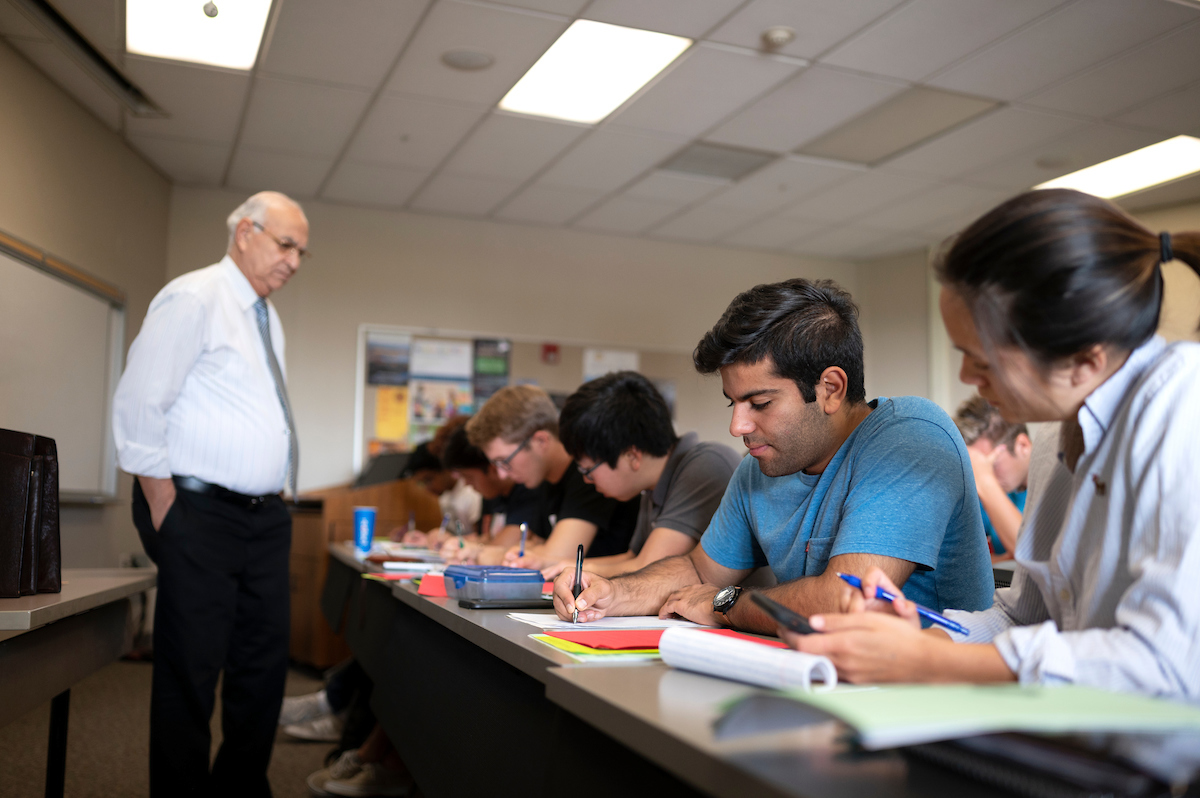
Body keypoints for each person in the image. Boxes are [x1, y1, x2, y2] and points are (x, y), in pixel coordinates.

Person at [784, 189, 1200, 698]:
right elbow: (1023, 619)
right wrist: (915, 630)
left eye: (983, 362)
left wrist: (930, 660)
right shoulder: (1054, 429)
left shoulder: (1184, 408)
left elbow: (1168, 665)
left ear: (1084, 361)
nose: (965, 376)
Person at [553, 279, 994, 630]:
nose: (737, 427)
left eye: (760, 404)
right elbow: (700, 570)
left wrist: (729, 604)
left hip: (928, 700)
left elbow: (848, 600)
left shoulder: (911, 437)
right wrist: (614, 594)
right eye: (734, 403)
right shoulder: (759, 467)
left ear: (830, 389)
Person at [113, 191, 308, 796]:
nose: (295, 261)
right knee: (190, 671)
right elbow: (140, 403)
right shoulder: (194, 296)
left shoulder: (265, 316)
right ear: (246, 232)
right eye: (286, 244)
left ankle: (241, 788)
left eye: (302, 251)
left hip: (264, 518)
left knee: (263, 668)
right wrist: (167, 506)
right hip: (200, 512)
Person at [542, 370, 741, 579]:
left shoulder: (706, 465)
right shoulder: (651, 485)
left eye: (588, 470)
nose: (586, 480)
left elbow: (649, 568)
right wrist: (564, 566)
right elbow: (632, 557)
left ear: (631, 456)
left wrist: (577, 572)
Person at [466, 385, 640, 570]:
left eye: (505, 461)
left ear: (541, 441)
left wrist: (495, 554)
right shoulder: (540, 478)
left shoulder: (589, 475)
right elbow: (535, 546)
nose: (502, 474)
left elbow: (557, 557)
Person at [436, 418, 550, 564]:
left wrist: (476, 549)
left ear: (492, 469)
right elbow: (485, 539)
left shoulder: (528, 488)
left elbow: (503, 546)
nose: (466, 484)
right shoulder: (491, 495)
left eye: (469, 476)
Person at [954, 395, 1032, 561]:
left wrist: (985, 480)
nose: (982, 473)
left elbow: (1032, 555)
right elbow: (962, 561)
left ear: (1022, 446)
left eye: (990, 464)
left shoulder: (1061, 483)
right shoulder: (997, 491)